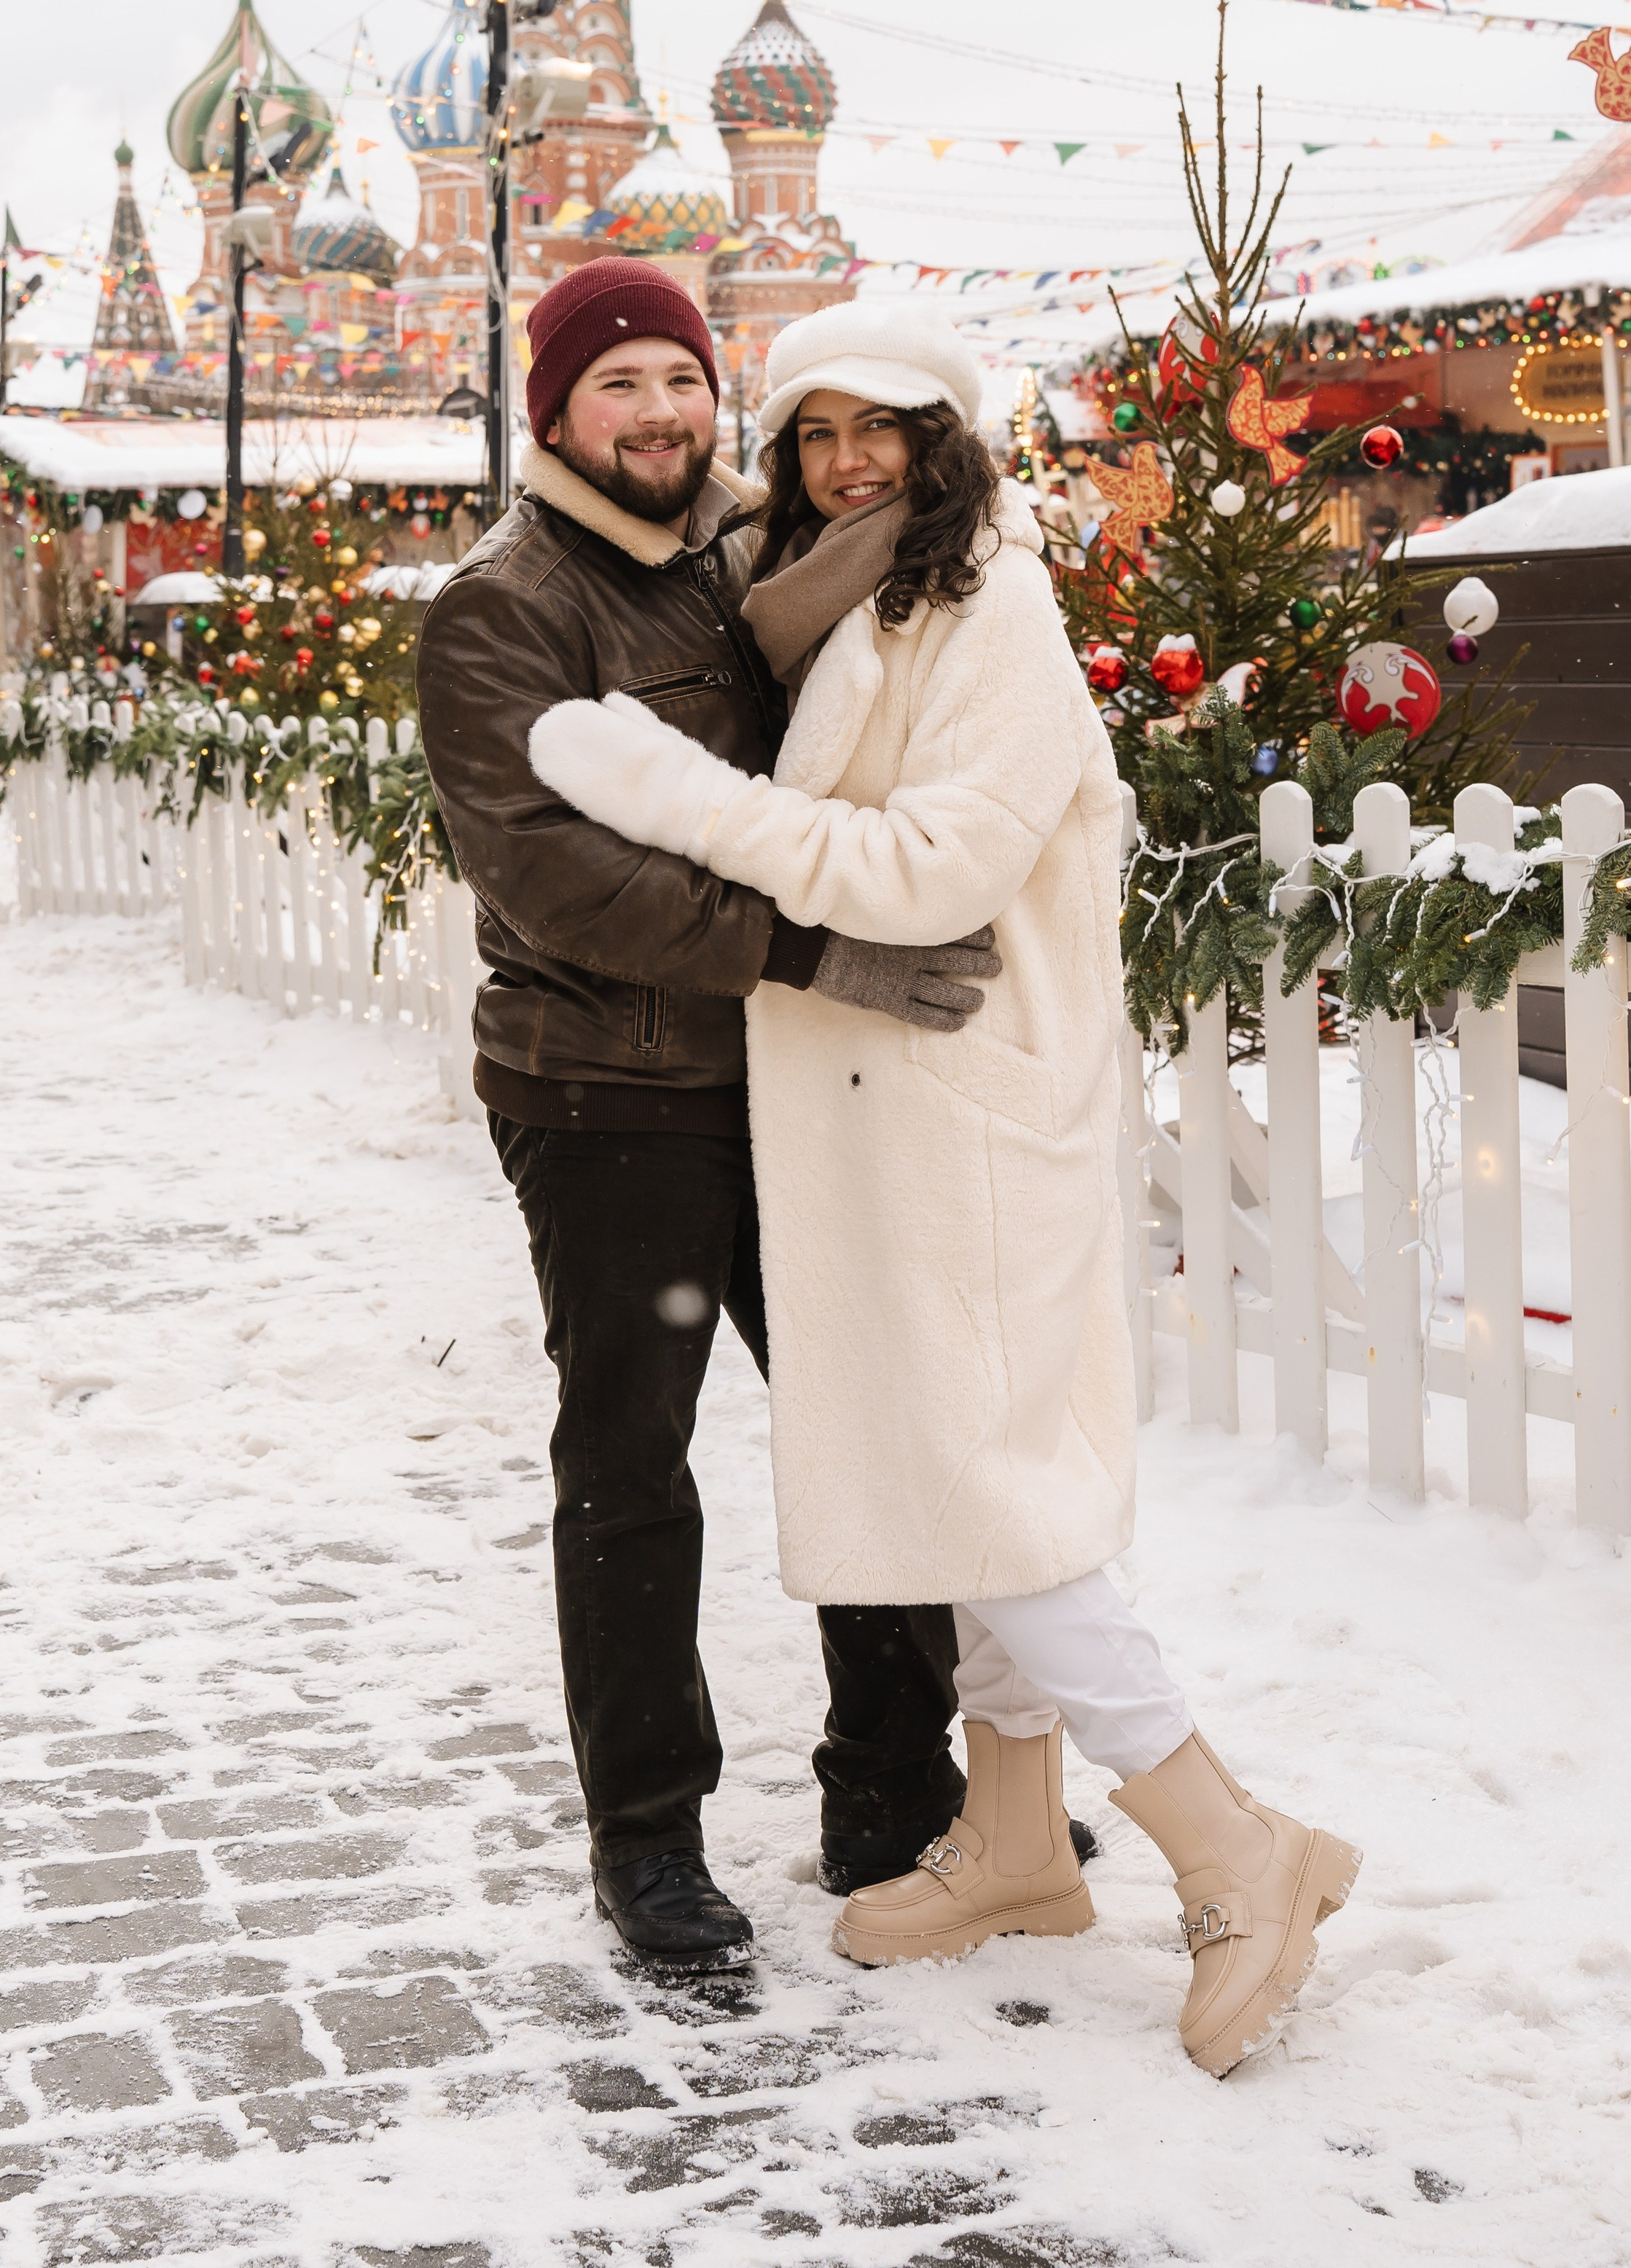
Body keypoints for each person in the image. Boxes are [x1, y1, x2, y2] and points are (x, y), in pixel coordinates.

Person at [528, 302, 1361, 2076]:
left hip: (966, 1102)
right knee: (944, 1478)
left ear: (944, 439)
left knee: (993, 1492)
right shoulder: (821, 602)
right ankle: (1010, 1831)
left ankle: (1230, 1844)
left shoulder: (994, 611)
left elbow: (931, 868)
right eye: (815, 431)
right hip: (867, 1113)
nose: (848, 460)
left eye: (882, 427)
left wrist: (680, 799)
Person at [416, 259, 1004, 1976]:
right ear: (553, 413)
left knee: (869, 1418)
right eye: (618, 385)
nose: (659, 412)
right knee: (631, 1463)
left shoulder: (746, 557)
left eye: (681, 379)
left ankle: (889, 1790)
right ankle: (648, 1837)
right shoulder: (505, 605)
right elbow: (555, 877)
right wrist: (818, 949)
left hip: (782, 1073)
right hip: (607, 1088)